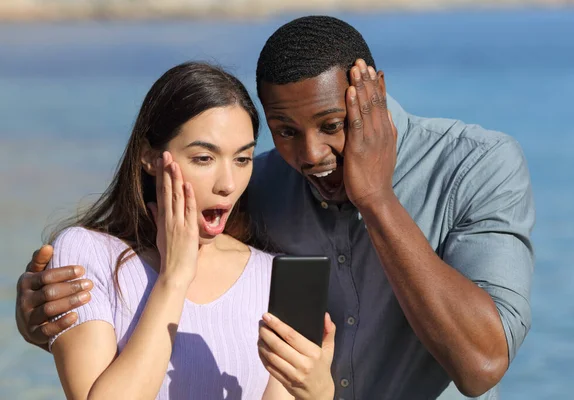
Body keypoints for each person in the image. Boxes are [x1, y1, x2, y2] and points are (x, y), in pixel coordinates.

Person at [15, 16, 535, 400]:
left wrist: (375, 197)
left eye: (333, 125)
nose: (308, 155)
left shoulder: (476, 165)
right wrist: (57, 316)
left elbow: (481, 365)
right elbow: (176, 275)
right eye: (285, 131)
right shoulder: (254, 184)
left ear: (372, 92)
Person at [21, 61, 337, 400]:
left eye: (242, 159)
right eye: (204, 158)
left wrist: (317, 393)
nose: (228, 185)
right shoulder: (87, 255)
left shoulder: (271, 277)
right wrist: (174, 277)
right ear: (150, 157)